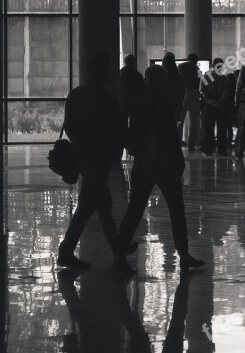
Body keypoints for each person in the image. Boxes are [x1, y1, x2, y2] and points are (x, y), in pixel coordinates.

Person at [113, 65, 205, 274]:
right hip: (165, 165)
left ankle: (119, 254)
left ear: (146, 81)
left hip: (143, 164)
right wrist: (179, 162)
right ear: (162, 82)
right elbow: (170, 138)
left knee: (134, 210)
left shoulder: (137, 103)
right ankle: (183, 254)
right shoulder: (164, 103)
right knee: (176, 211)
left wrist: (132, 146)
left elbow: (124, 126)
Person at [58, 53, 122, 269]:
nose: (112, 71)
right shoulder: (105, 97)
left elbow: (68, 125)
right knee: (89, 206)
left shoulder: (76, 94)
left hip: (83, 156)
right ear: (101, 71)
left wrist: (79, 146)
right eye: (109, 67)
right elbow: (114, 130)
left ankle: (118, 247)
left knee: (102, 202)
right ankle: (67, 251)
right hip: (97, 158)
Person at [199, 57, 230, 155]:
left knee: (208, 127)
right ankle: (221, 149)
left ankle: (208, 149)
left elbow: (202, 90)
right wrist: (220, 101)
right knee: (222, 127)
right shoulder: (225, 78)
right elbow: (226, 91)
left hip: (209, 104)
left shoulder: (206, 76)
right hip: (221, 104)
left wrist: (209, 100)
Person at [178, 54, 202, 151]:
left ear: (188, 59)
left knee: (180, 120)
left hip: (184, 93)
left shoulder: (182, 66)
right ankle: (190, 144)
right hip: (195, 94)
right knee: (194, 121)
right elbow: (202, 81)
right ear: (196, 61)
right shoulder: (198, 69)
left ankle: (178, 142)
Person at [119, 54, 145, 135]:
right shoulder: (138, 75)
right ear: (134, 63)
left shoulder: (120, 74)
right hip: (135, 102)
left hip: (123, 102)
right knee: (135, 123)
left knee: (123, 123)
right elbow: (142, 90)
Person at [162, 52, 185, 139]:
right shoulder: (178, 75)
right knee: (174, 124)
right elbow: (182, 91)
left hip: (163, 104)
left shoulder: (162, 75)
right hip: (175, 103)